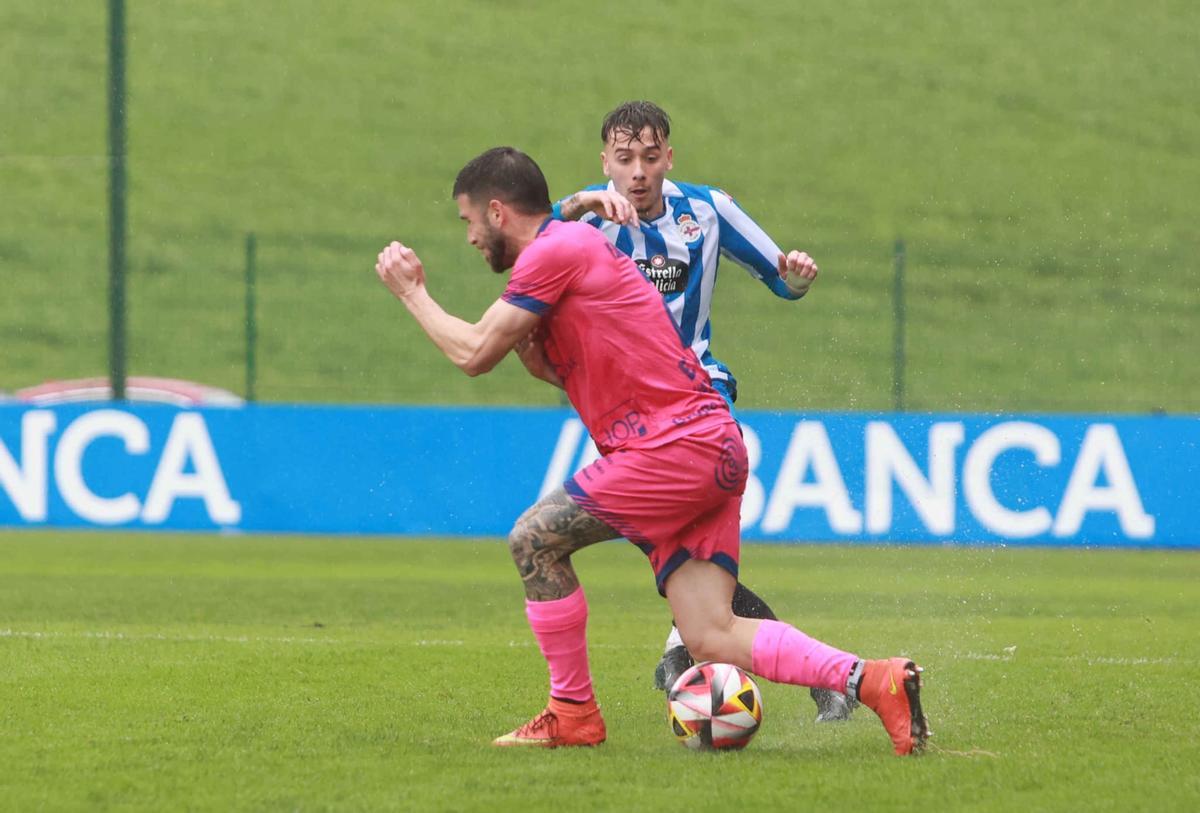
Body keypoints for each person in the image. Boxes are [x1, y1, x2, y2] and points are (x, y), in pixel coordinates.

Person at [373, 145, 930, 755]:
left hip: (672, 447)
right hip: (708, 444)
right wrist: (578, 205)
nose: (471, 237)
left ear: (498, 212)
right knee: (713, 636)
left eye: (469, 222)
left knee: (534, 540)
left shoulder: (556, 251)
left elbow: (473, 353)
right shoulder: (568, 247)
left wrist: (412, 293)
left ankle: (572, 713)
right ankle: (873, 681)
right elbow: (559, 370)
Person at [552, 100, 856, 722]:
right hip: (626, 420)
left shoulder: (707, 211)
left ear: (670, 157)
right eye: (624, 159)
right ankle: (727, 652)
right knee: (685, 567)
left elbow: (780, 276)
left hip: (698, 406)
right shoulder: (586, 219)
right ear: (604, 161)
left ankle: (695, 653)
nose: (637, 172)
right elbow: (527, 247)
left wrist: (796, 274)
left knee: (680, 566)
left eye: (650, 157)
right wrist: (578, 206)